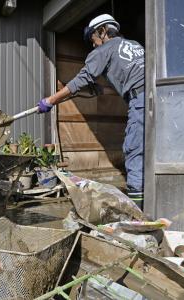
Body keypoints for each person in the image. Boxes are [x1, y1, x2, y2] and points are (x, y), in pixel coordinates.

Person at [37, 14, 145, 208]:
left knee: (134, 151)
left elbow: (81, 79)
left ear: (102, 31)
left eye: (93, 39)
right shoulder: (135, 45)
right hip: (160, 98)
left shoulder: (104, 49)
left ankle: (140, 214)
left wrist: (50, 100)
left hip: (141, 102)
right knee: (151, 152)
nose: (93, 45)